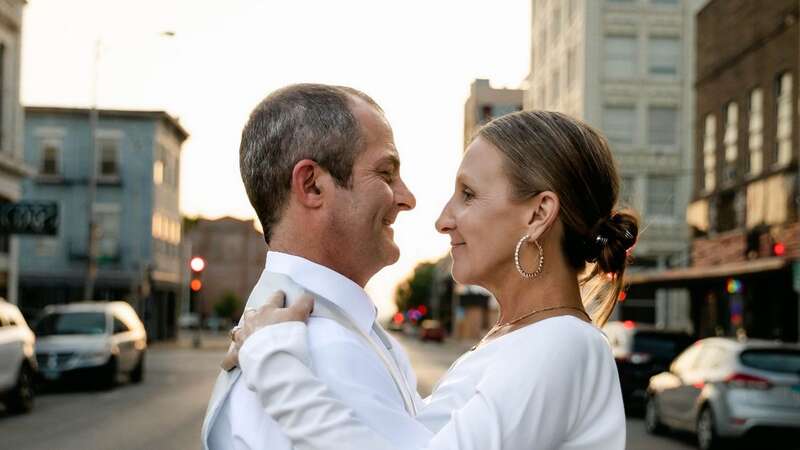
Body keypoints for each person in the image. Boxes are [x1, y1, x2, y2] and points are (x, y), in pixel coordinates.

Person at [227, 110, 638, 449]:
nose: (443, 220)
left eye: (469, 195)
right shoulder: (515, 341)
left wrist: (272, 361)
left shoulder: (562, 344)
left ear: (538, 214)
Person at [201, 83, 429, 450]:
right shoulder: (325, 350)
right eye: (386, 174)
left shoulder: (317, 334)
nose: (407, 198)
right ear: (312, 186)